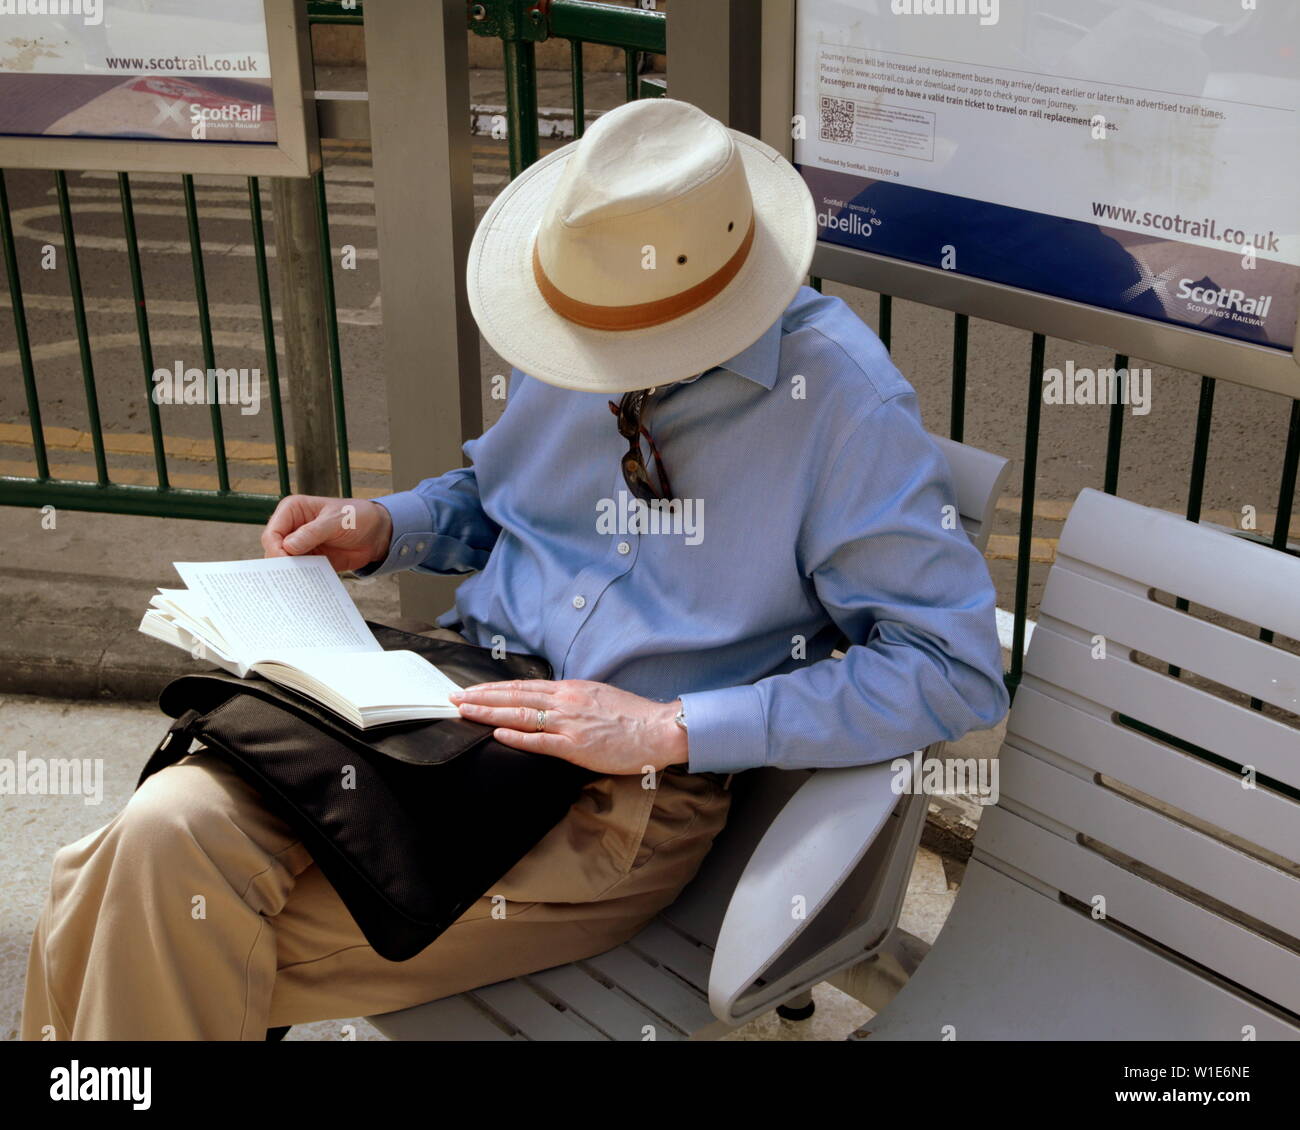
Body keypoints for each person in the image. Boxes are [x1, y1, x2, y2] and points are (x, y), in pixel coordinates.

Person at [22, 97, 1008, 1040]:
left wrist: (667, 725)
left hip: (614, 805)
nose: (591, 361)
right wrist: (383, 525)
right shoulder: (589, 303)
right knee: (159, 833)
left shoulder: (841, 405)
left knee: (112, 904)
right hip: (437, 704)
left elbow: (949, 665)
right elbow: (502, 497)